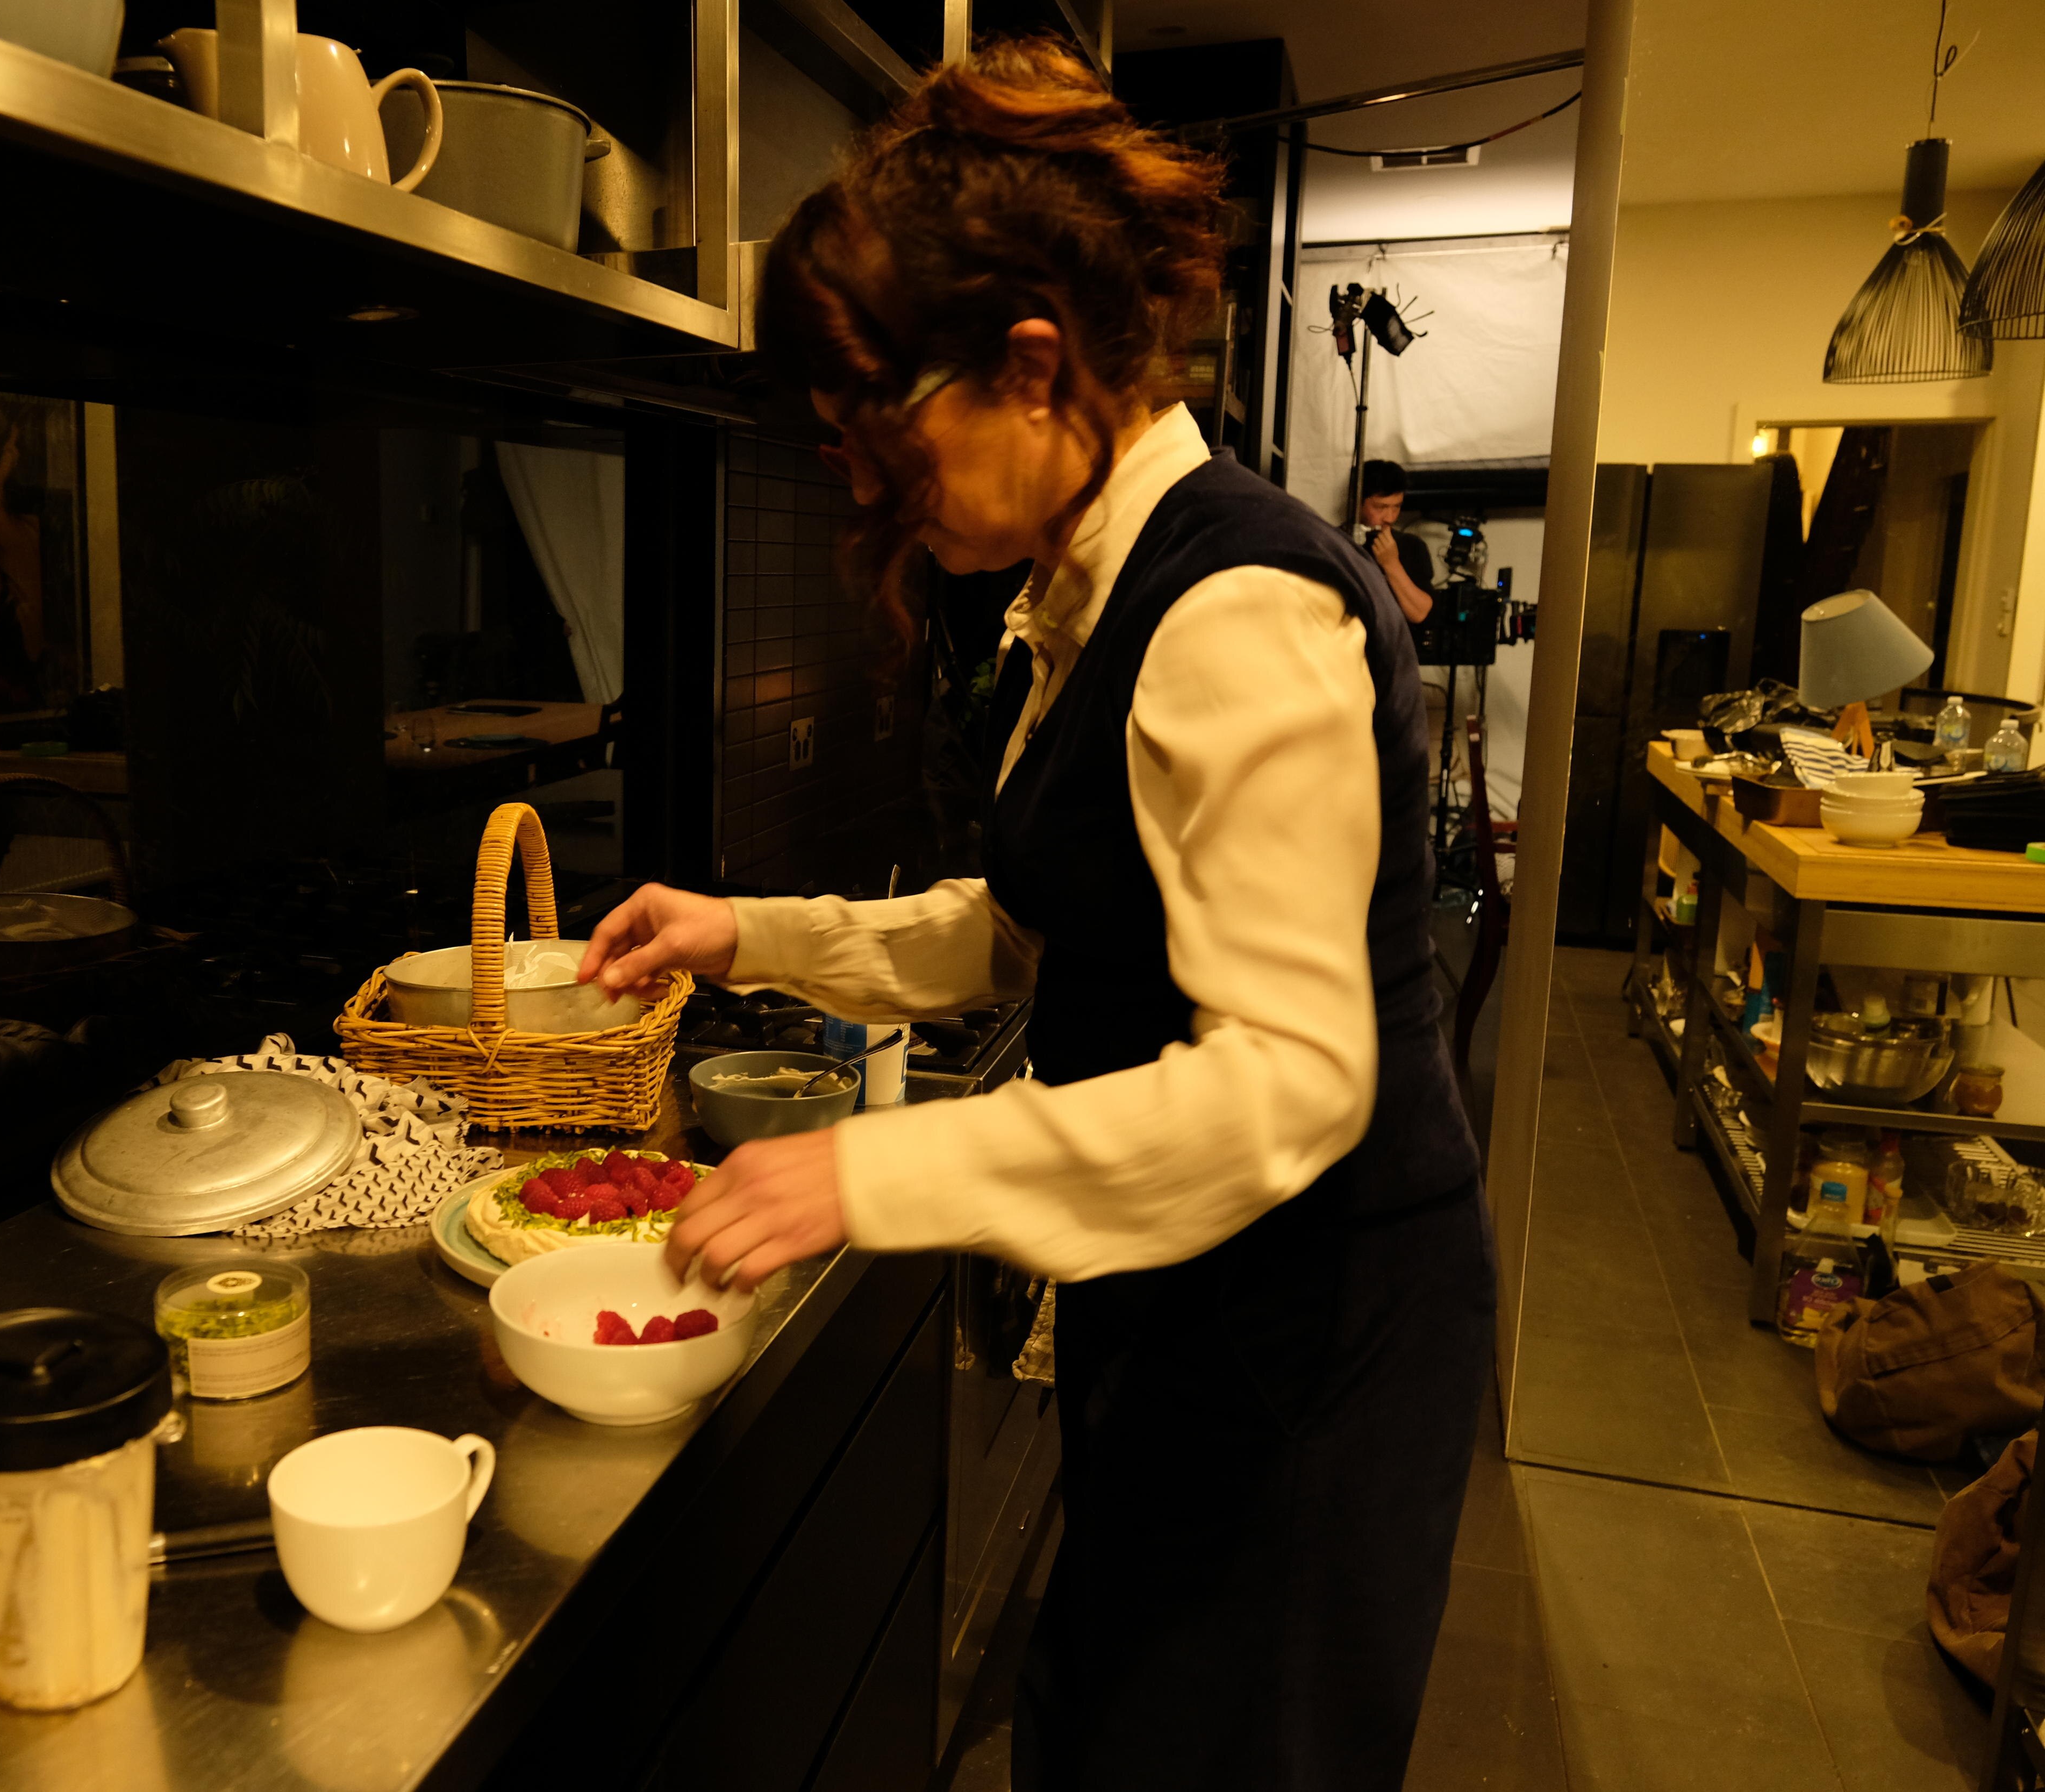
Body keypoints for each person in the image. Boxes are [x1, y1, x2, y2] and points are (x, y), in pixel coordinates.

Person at [575, 39, 1490, 1792]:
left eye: (873, 435)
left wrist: (873, 1174)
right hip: (1199, 1299)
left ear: (1031, 366)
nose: (859, 488)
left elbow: (1291, 1085)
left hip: (1314, 1331)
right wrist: (740, 934)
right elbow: (1021, 933)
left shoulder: (1236, 609)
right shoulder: (1085, 591)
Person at [1356, 459, 1435, 625]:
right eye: (1380, 508)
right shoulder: (1334, 543)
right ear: (1357, 502)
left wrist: (1392, 564)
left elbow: (1420, 613)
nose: (1390, 518)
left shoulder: (1412, 546)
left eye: (1396, 507)